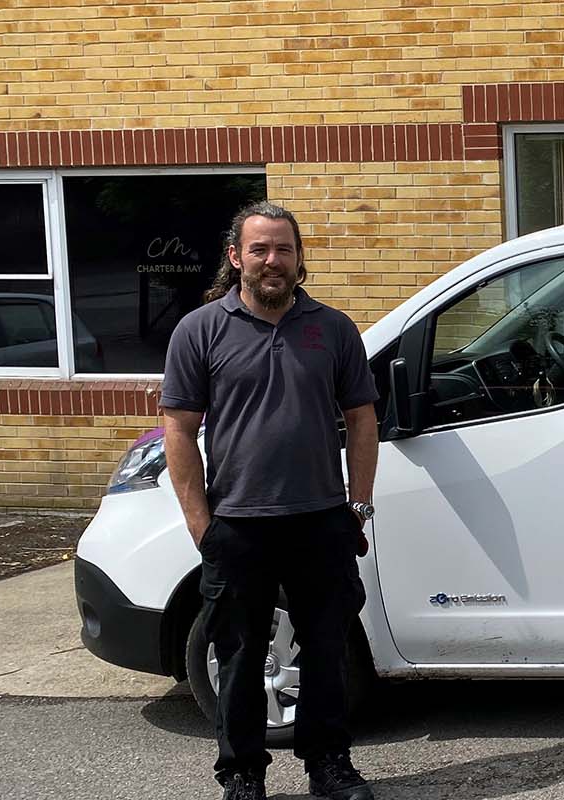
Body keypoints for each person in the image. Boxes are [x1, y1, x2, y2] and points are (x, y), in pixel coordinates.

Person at [161, 201, 381, 800]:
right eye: (258, 249)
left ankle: (328, 766)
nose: (271, 261)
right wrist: (203, 525)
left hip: (320, 520)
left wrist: (357, 507)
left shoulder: (332, 330)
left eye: (283, 249)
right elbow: (178, 431)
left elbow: (363, 420)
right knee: (237, 655)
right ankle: (241, 775)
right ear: (236, 258)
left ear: (298, 258)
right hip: (238, 525)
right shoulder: (199, 330)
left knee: (327, 649)